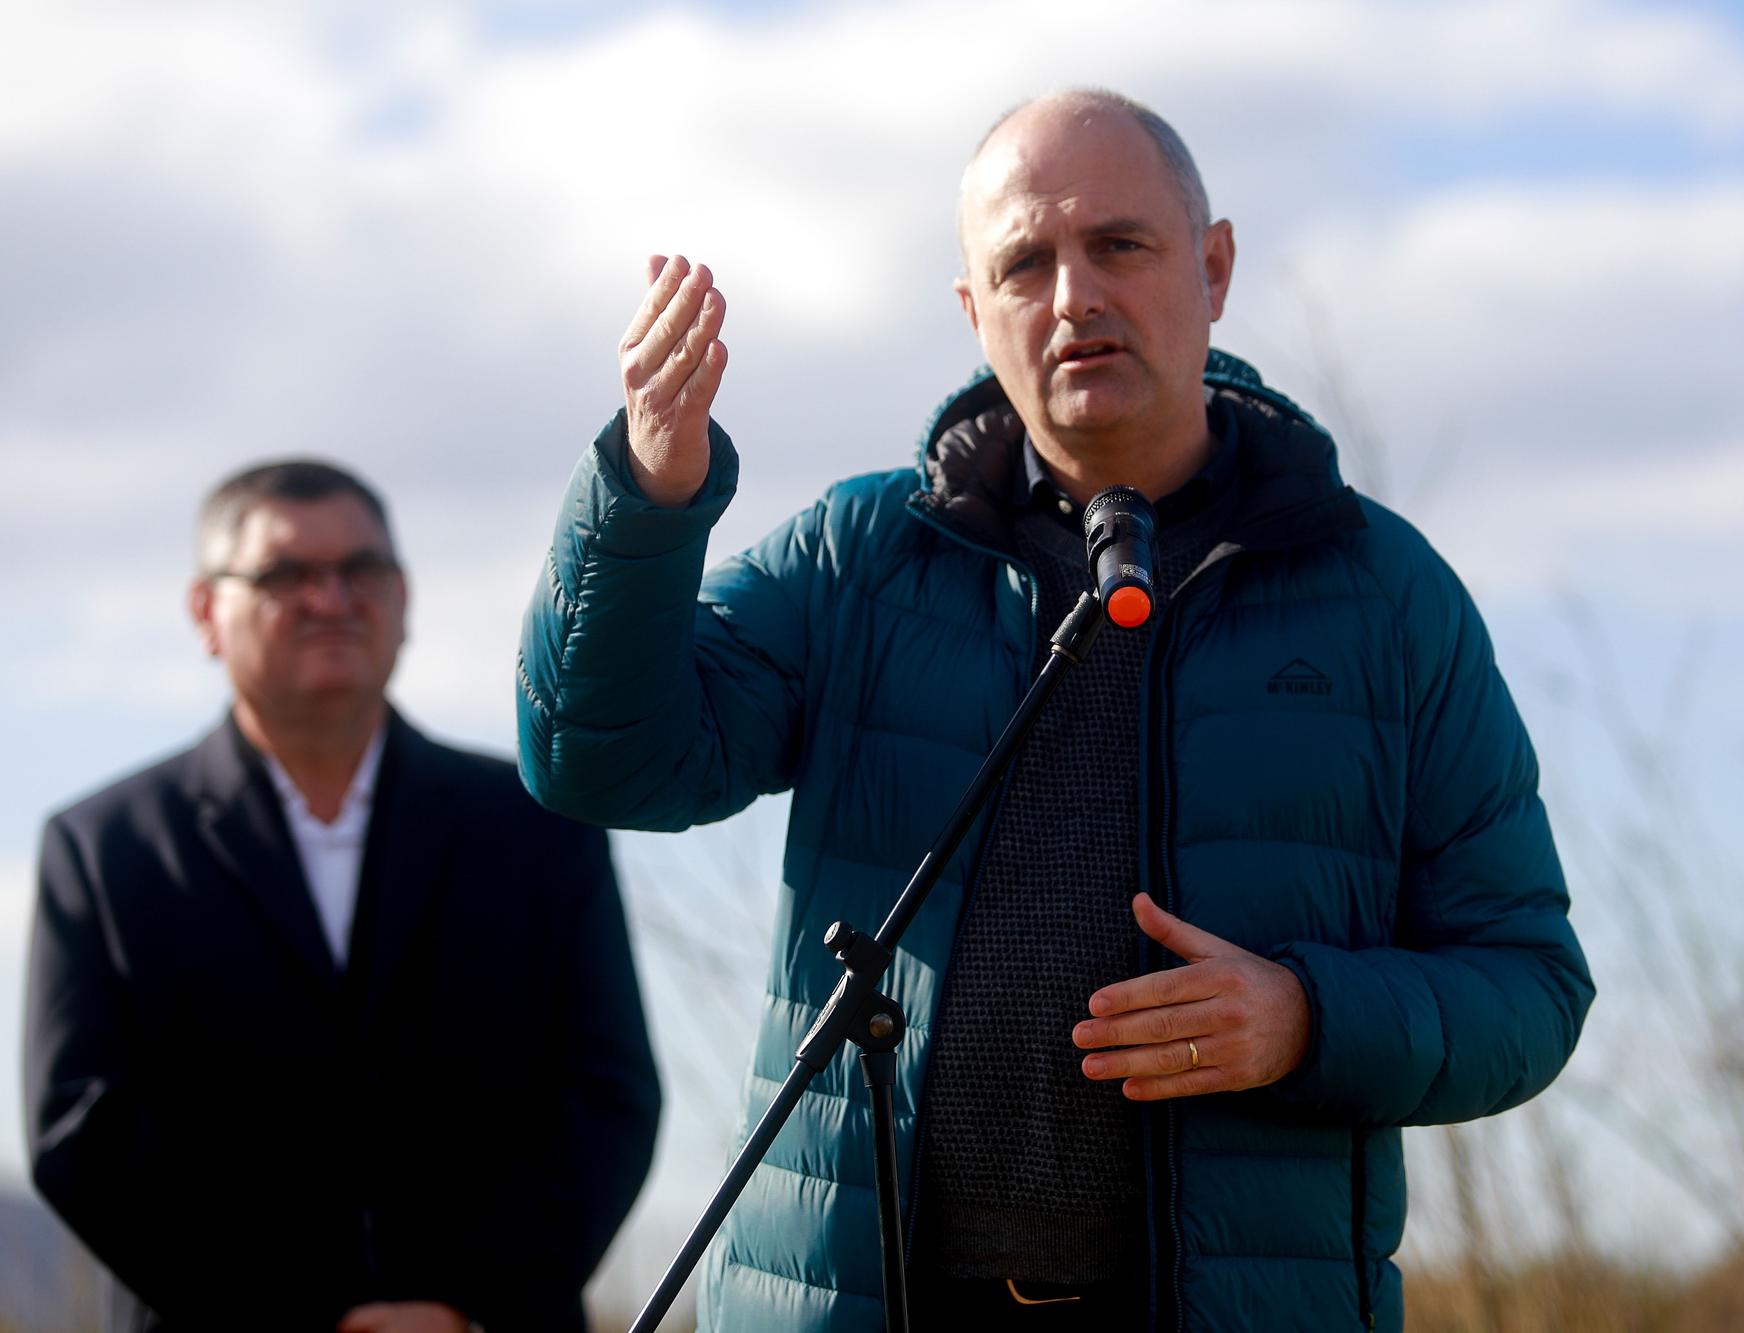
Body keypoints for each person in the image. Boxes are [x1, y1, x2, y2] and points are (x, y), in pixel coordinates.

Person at [516, 89, 1592, 1332]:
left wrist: (1306, 1017)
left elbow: (1527, 985)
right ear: (976, 316)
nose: (1073, 294)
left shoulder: (1379, 592)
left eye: (1118, 245)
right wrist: (648, 497)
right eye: (1024, 264)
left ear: (1214, 266)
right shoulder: (859, 557)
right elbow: (599, 762)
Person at [26, 460, 663, 1332]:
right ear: (207, 612)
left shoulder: (539, 825)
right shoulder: (104, 849)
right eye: (286, 574)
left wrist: (461, 1306)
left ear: (401, 598)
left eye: (360, 570)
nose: (331, 598)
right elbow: (80, 1131)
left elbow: (606, 1092)